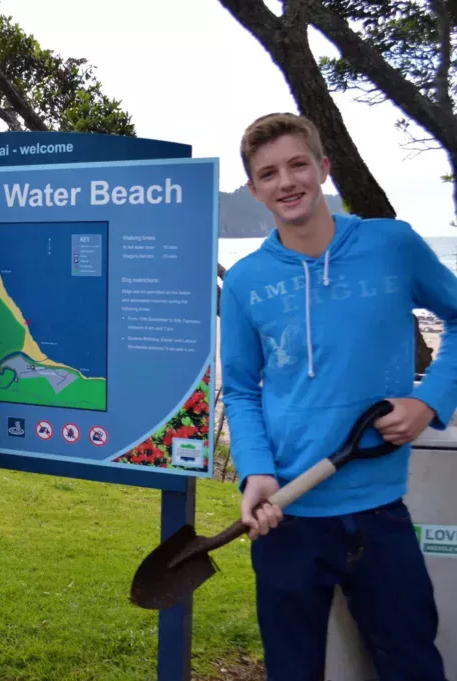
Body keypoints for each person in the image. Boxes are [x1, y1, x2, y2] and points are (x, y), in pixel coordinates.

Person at [221, 112, 457, 679]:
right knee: (293, 670)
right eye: (269, 173)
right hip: (287, 517)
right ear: (255, 190)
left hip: (381, 513)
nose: (287, 182)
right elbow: (240, 389)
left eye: (298, 164)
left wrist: (429, 401)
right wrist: (255, 470)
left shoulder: (391, 244)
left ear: (323, 168)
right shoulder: (249, 280)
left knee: (412, 665)